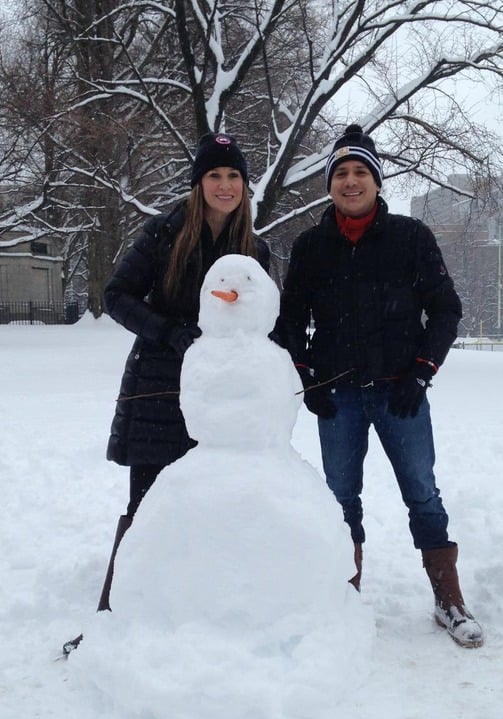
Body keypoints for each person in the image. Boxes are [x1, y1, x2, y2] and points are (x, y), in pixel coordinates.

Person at [273, 124, 483, 648]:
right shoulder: (311, 246)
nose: (350, 181)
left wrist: (422, 370)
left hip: (400, 393)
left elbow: (446, 310)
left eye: (360, 171)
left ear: (377, 180)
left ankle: (448, 599)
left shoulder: (411, 238)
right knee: (340, 499)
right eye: (341, 173)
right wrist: (306, 376)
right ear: (329, 185)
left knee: (423, 494)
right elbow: (290, 320)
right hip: (338, 396)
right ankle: (345, 597)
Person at [97, 132, 270, 614]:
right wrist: (170, 332)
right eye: (214, 175)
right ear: (198, 183)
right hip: (159, 385)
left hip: (221, 395)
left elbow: (266, 322)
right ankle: (117, 613)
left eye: (233, 175)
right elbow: (116, 296)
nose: (224, 185)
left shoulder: (256, 251)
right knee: (148, 505)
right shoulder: (163, 234)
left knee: (210, 504)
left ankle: (193, 614)